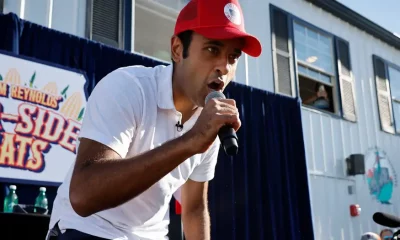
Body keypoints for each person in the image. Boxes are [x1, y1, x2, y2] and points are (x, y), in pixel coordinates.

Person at [46, 0, 262, 239]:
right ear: (178, 50)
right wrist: (190, 141)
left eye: (233, 57)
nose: (224, 67)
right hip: (89, 228)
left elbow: (193, 207)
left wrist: (196, 138)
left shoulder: (208, 122)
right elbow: (83, 195)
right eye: (212, 50)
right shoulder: (128, 87)